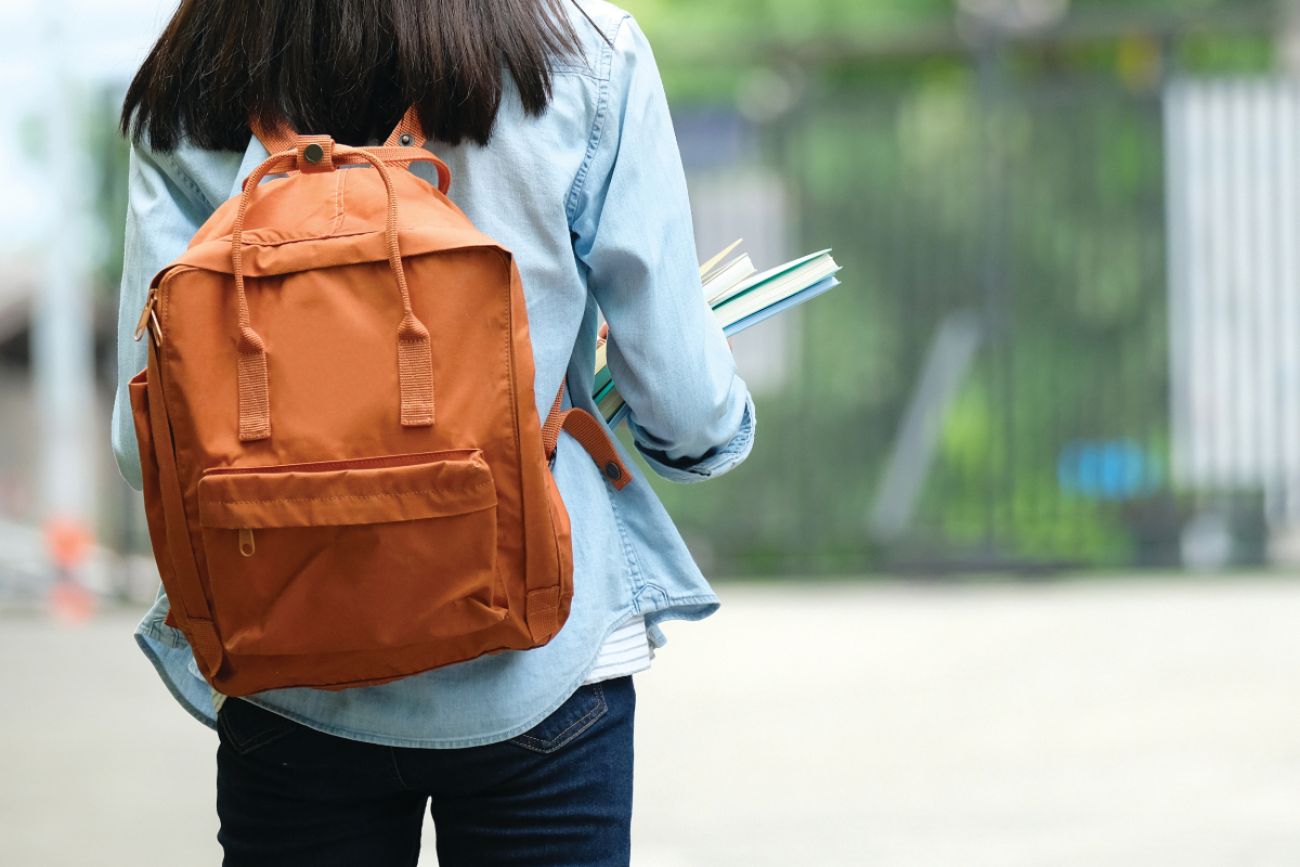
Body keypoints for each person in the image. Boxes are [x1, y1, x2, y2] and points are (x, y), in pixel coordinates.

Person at [111, 1, 755, 865]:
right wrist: (704, 432)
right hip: (543, 661)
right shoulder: (582, 52)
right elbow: (683, 404)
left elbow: (140, 440)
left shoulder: (198, 67)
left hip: (284, 663)